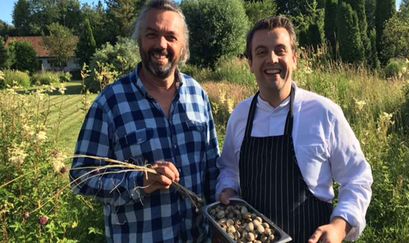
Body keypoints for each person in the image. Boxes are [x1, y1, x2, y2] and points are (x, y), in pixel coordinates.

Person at [70, 0, 219, 242]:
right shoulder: (110, 103)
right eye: (152, 34)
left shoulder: (197, 95)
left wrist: (218, 225)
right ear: (139, 40)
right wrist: (139, 181)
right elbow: (81, 177)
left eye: (171, 36)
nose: (161, 44)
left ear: (183, 46)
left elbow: (212, 168)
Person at [216, 16, 373, 243]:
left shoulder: (323, 112)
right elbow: (229, 169)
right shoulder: (240, 116)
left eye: (280, 50)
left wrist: (340, 226)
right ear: (250, 63)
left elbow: (357, 178)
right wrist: (228, 191)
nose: (272, 59)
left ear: (295, 58)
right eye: (261, 52)